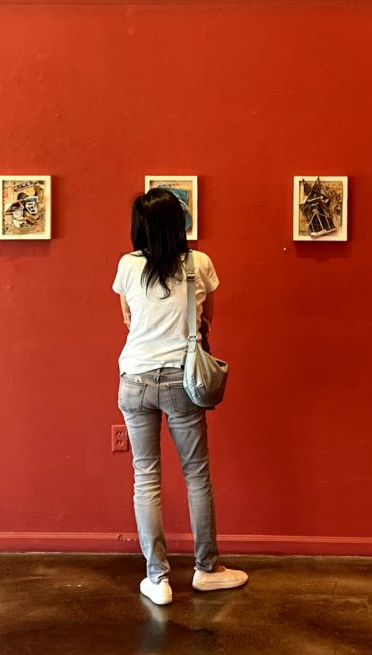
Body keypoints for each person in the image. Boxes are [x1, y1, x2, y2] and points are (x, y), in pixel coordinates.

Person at [112, 188, 248, 606]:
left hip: (134, 379)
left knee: (145, 478)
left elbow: (128, 319)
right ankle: (207, 570)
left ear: (140, 225)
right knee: (196, 476)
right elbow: (207, 319)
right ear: (179, 222)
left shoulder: (128, 266)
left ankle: (158, 579)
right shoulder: (199, 264)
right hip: (181, 381)